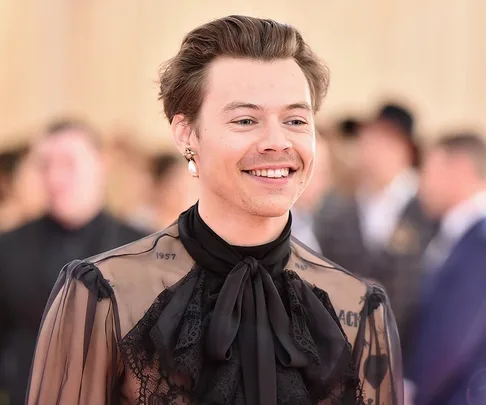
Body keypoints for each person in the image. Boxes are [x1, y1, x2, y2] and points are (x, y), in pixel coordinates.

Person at [26, 16, 403, 405]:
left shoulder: (359, 306)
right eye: (245, 120)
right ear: (187, 133)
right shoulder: (104, 293)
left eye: (295, 120)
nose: (277, 142)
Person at [0, 119, 146, 405]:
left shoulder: (142, 249)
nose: (55, 177)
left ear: (101, 164)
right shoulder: (8, 247)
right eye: (46, 165)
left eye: (68, 163)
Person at [314, 103, 437, 359]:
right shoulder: (338, 210)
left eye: (384, 141)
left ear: (406, 149)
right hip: (348, 350)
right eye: (368, 139)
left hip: (412, 349)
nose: (371, 149)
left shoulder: (429, 209)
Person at [405, 133, 486, 405]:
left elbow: (453, 339)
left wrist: (414, 393)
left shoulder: (479, 241)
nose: (421, 185)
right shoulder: (459, 232)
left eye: (428, 170)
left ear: (460, 170)